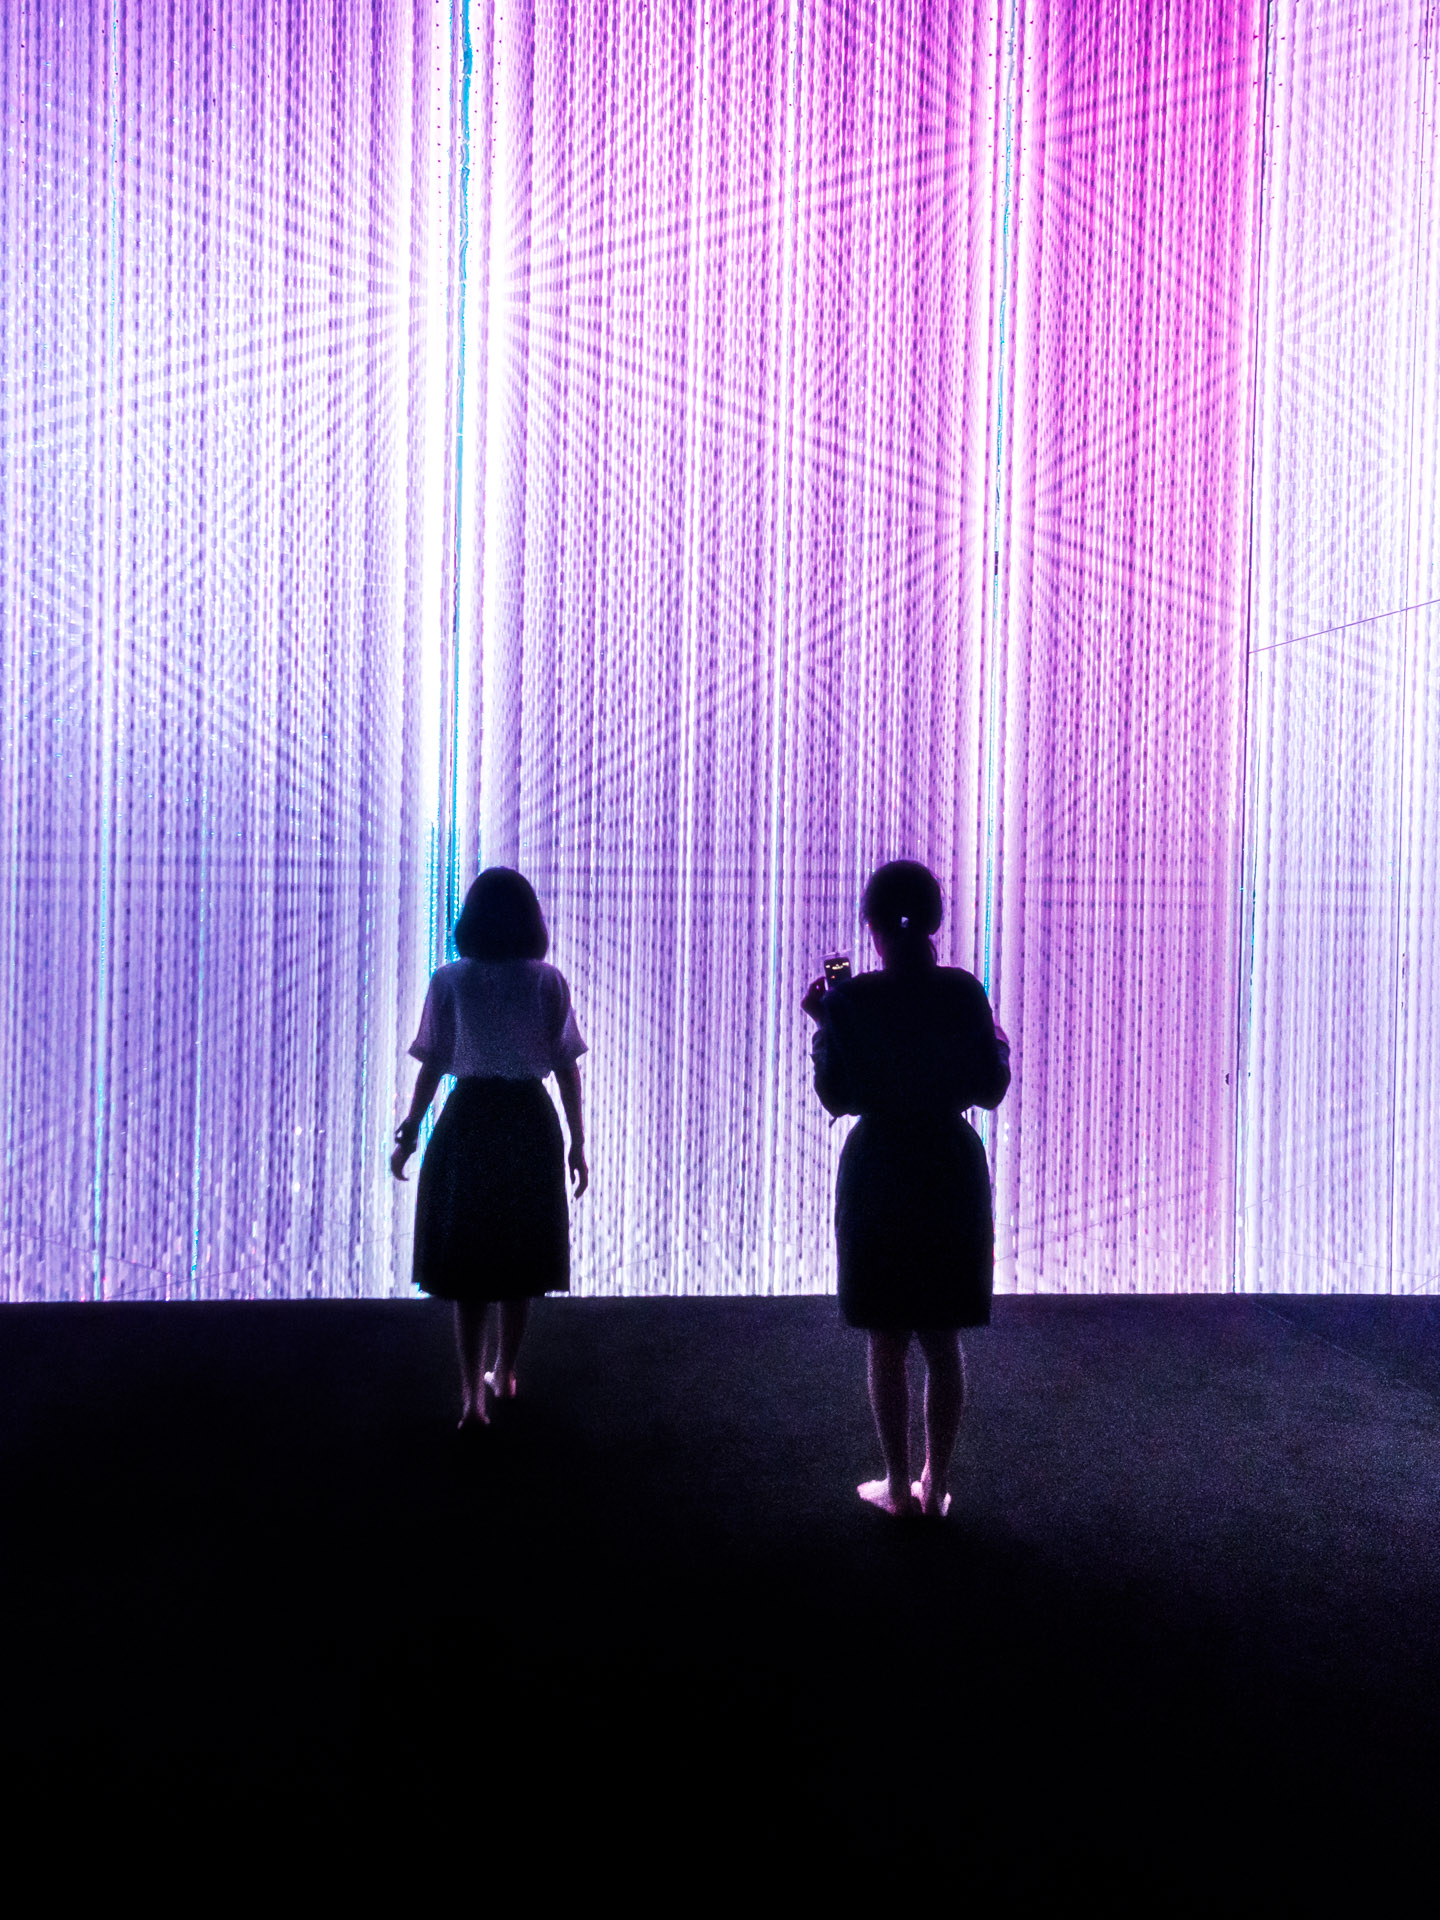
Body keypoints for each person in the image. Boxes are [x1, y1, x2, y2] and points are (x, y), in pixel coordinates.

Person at [803, 861, 1010, 1518]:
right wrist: (997, 1044)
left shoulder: (853, 998)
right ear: (934, 918)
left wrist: (827, 1025)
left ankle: (897, 1487)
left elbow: (838, 1095)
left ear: (871, 924)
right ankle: (936, 1483)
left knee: (886, 1337)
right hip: (949, 1167)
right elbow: (990, 1089)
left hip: (880, 1168)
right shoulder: (963, 991)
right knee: (942, 1340)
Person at [391, 868, 588, 1428]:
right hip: (528, 1120)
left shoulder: (450, 980)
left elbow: (433, 1063)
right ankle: (503, 1373)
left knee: (470, 1267)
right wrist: (578, 1142)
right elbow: (566, 1069)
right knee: (518, 1260)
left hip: (470, 1120)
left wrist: (410, 1130)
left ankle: (470, 1400)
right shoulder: (547, 982)